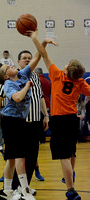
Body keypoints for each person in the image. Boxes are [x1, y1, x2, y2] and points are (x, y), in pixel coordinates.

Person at [31, 30, 90, 200]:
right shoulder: (80, 83)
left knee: (63, 155)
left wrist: (36, 38)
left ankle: (71, 190)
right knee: (72, 152)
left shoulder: (57, 75)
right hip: (73, 120)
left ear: (66, 71)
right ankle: (70, 175)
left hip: (59, 120)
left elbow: (43, 54)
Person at [0, 42, 42, 200]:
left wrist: (42, 42)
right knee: (20, 157)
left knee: (12, 158)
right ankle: (24, 190)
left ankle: (6, 191)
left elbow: (38, 57)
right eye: (8, 67)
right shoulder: (8, 84)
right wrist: (27, 87)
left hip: (18, 120)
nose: (11, 66)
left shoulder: (23, 74)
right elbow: (18, 98)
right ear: (6, 75)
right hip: (11, 121)